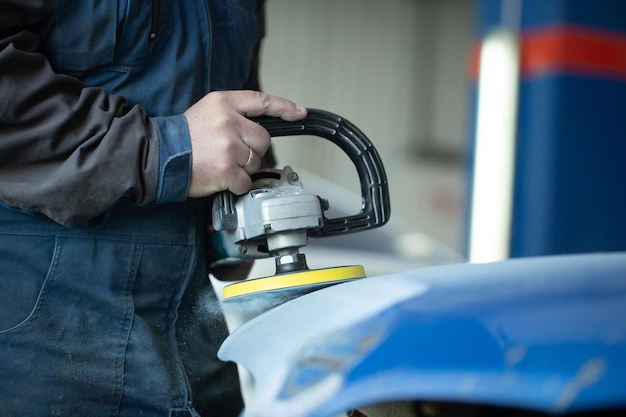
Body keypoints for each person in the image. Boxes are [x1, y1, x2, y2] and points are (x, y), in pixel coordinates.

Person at [0, 1, 306, 416]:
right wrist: (166, 150)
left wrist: (242, 199)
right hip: (43, 352)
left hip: (198, 352)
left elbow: (229, 114)